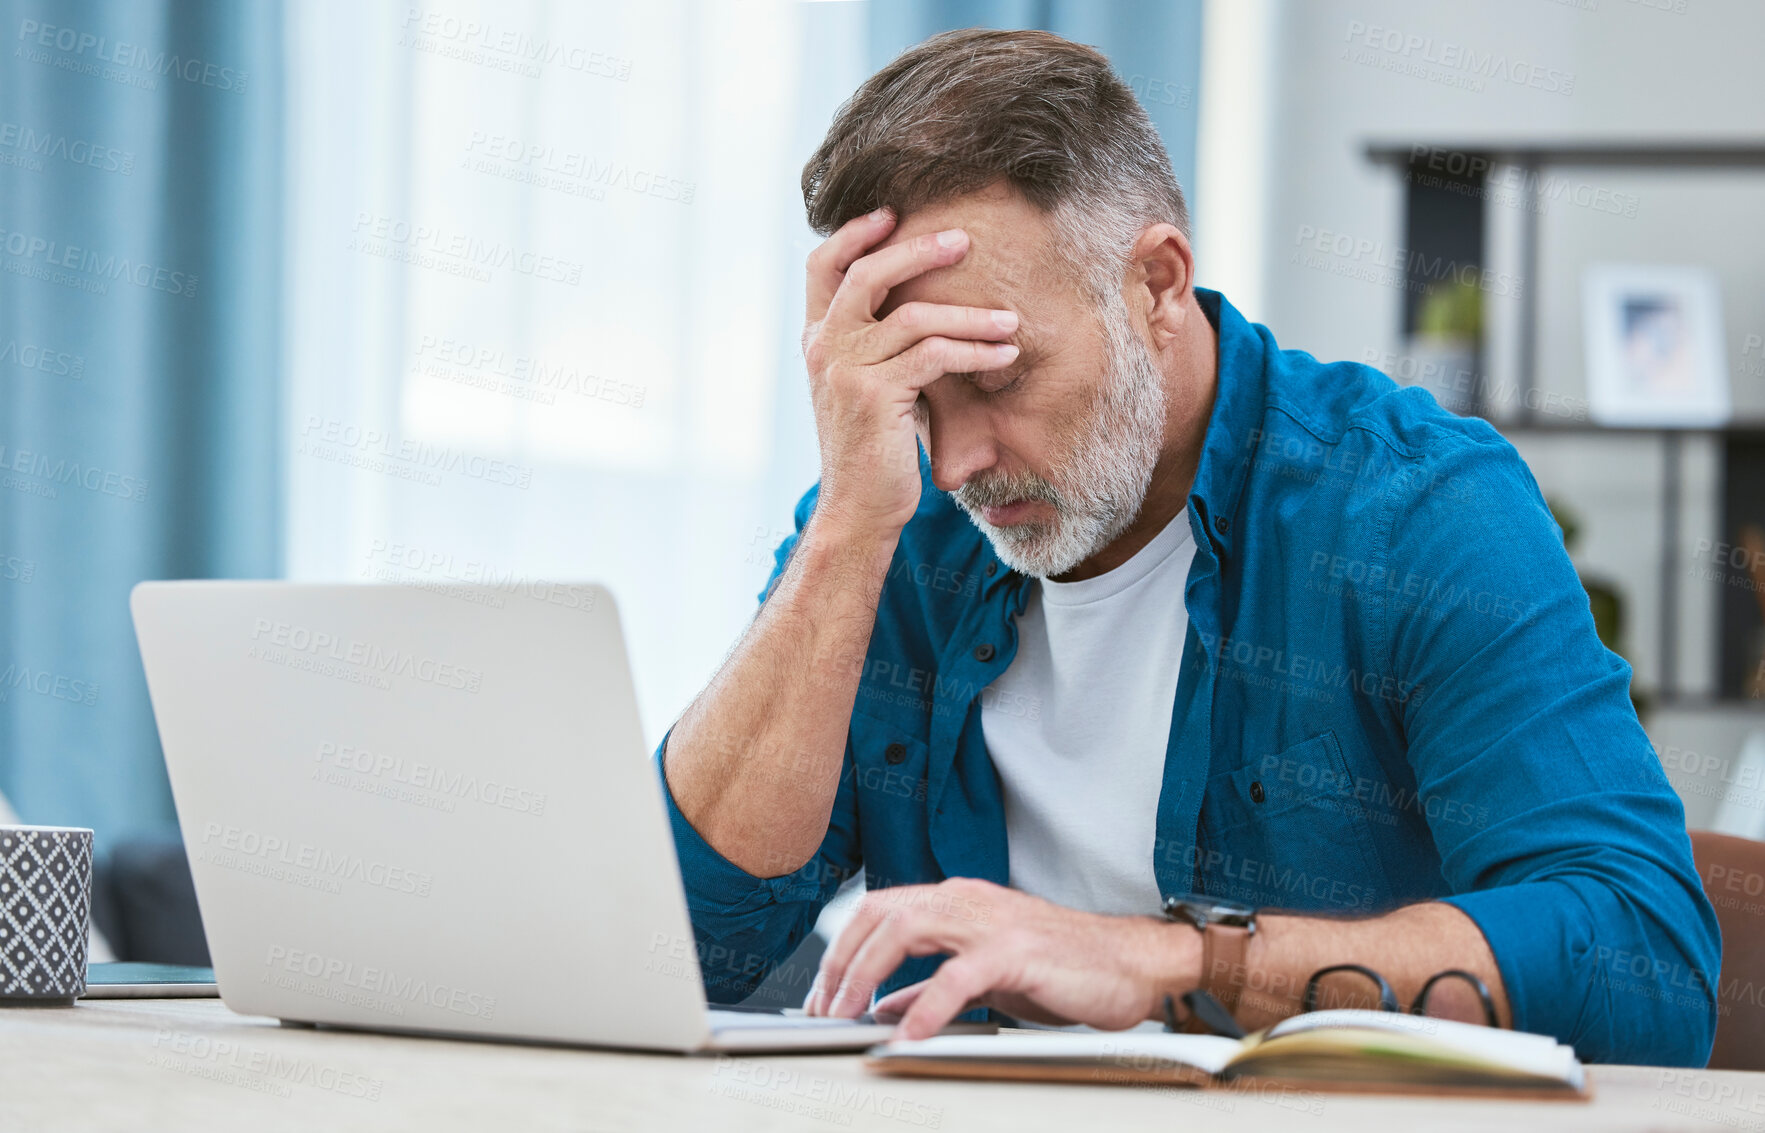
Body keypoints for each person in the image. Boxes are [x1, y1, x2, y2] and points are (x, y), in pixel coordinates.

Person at [655, 27, 1718, 1065]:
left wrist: (1172, 963)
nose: (954, 463)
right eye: (915, 397)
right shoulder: (888, 512)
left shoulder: (1412, 511)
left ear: (1156, 284)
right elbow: (683, 949)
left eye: (993, 378)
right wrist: (846, 528)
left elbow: (1644, 967)